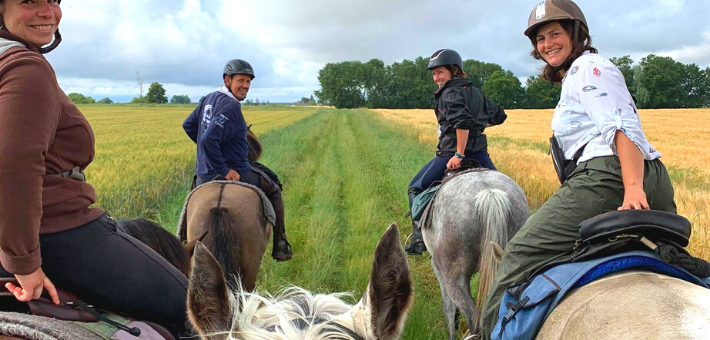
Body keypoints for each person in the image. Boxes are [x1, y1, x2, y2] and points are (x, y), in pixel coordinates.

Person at [478, 0, 677, 337]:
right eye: (540, 39)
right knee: (671, 258)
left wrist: (632, 187)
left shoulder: (588, 68)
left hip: (611, 177)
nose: (547, 44)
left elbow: (619, 127)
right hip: (653, 176)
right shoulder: (582, 72)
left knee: (519, 252)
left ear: (575, 34)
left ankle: (487, 334)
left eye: (555, 33)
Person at [0, 0, 190, 337]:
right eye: (29, 0)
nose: (48, 11)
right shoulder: (26, 67)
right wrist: (24, 263)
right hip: (55, 231)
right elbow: (12, 167)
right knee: (190, 306)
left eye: (55, 0)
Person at [183, 59, 293, 261]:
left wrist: (208, 153)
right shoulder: (230, 106)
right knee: (274, 187)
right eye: (241, 80)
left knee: (193, 198)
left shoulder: (208, 99)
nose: (245, 86)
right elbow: (208, 139)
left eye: (248, 82)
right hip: (236, 170)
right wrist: (224, 169)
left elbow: (189, 126)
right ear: (227, 80)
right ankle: (281, 243)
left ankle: (182, 238)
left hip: (204, 175)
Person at [404, 49, 508, 255]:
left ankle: (418, 238)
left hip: (450, 153)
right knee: (503, 193)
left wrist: (459, 154)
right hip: (480, 154)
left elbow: (461, 122)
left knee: (415, 188)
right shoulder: (475, 91)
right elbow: (499, 116)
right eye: (433, 74)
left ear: (454, 70)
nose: (436, 78)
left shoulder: (449, 93)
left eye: (440, 72)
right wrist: (477, 127)